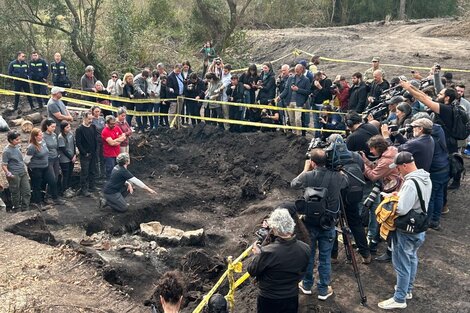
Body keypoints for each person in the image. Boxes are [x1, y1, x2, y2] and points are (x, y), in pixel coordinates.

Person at [291, 149, 348, 300]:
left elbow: (294, 184)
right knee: (325, 257)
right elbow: (346, 182)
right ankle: (323, 289)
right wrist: (338, 169)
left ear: (312, 162)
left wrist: (305, 170)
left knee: (309, 255)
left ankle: (307, 284)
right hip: (328, 224)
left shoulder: (307, 175)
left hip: (309, 223)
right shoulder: (337, 177)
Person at [378, 151, 431, 310]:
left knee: (401, 264)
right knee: (412, 258)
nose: (398, 170)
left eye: (399, 167)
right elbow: (415, 199)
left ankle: (399, 298)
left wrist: (389, 199)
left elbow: (401, 209)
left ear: (405, 165)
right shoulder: (425, 177)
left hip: (407, 230)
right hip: (419, 227)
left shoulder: (409, 183)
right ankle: (407, 290)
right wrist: (399, 195)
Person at [247, 208, 310, 313]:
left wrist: (258, 255)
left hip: (268, 299)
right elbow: (303, 271)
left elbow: (252, 270)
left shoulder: (268, 252)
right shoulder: (305, 248)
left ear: (275, 228)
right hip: (291, 297)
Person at [361, 135, 401, 259]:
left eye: (372, 149)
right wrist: (365, 160)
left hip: (392, 191)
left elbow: (374, 175)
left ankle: (388, 251)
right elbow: (379, 168)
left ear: (378, 147)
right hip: (395, 185)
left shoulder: (386, 161)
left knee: (388, 219)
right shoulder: (390, 153)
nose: (371, 152)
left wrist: (363, 166)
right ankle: (377, 240)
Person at [24, 128, 64, 205]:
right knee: (37, 186)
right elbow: (26, 160)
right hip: (36, 169)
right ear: (35, 137)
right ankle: (38, 202)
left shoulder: (43, 142)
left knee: (52, 181)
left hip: (46, 166)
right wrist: (33, 167)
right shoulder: (32, 147)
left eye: (42, 134)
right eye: (40, 135)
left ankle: (55, 198)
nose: (42, 136)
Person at [277, 64, 311, 135]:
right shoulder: (290, 78)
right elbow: (286, 90)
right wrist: (280, 97)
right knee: (291, 119)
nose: (296, 72)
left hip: (299, 102)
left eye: (298, 71)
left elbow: (308, 92)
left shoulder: (306, 80)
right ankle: (294, 133)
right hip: (289, 101)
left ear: (302, 70)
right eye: (295, 70)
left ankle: (299, 134)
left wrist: (298, 89)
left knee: (298, 119)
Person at [2, 131, 31, 211]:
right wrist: (8, 173)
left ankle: (26, 208)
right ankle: (17, 208)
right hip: (14, 173)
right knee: (15, 192)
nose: (19, 141)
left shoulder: (18, 146)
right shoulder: (6, 151)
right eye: (16, 140)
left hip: (22, 171)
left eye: (19, 139)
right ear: (11, 140)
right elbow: (4, 165)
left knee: (27, 190)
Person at [76, 112, 98, 197]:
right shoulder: (80, 129)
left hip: (93, 153)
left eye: (91, 119)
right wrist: (84, 153)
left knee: (92, 170)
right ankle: (83, 189)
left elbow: (95, 139)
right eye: (89, 119)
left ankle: (92, 186)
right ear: (84, 118)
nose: (91, 121)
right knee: (84, 172)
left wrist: (95, 150)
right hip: (85, 154)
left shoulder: (93, 127)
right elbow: (78, 143)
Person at [41, 119, 61, 195]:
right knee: (51, 178)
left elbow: (57, 146)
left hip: (55, 158)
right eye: (52, 127)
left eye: (55, 127)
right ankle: (48, 195)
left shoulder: (54, 135)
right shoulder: (43, 136)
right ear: (47, 126)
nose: (54, 128)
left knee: (56, 177)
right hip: (48, 159)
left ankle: (52, 194)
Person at [58, 121, 76, 197]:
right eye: (67, 127)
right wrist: (71, 157)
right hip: (65, 159)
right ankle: (64, 190)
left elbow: (74, 144)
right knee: (65, 174)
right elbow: (63, 149)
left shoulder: (71, 134)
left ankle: (69, 187)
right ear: (63, 128)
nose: (69, 128)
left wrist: (75, 155)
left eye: (69, 127)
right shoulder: (61, 137)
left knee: (70, 174)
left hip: (72, 157)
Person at [91, 106, 106, 179]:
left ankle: (103, 174)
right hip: (96, 141)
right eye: (96, 111)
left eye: (98, 111)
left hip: (103, 140)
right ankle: (97, 175)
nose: (97, 113)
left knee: (103, 157)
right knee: (96, 158)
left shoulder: (102, 119)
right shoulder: (91, 120)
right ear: (93, 112)